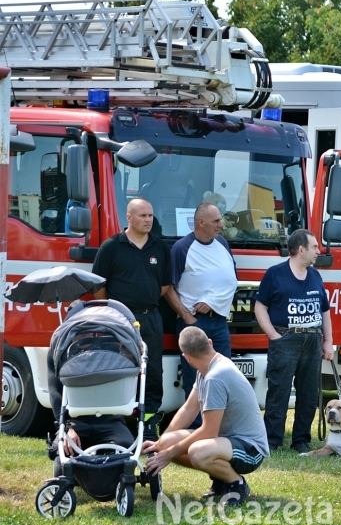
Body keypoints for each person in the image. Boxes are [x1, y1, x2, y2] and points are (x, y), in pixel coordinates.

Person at [144, 327, 268, 506]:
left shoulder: (215, 377)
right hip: (227, 442)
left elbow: (209, 431)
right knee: (167, 441)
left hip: (251, 449)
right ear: (209, 342)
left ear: (186, 357)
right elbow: (188, 409)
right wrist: (161, 444)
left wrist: (169, 454)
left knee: (198, 451)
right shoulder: (208, 368)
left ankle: (236, 484)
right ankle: (220, 480)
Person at [92, 198, 171, 441]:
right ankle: (115, 424)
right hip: (119, 321)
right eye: (143, 216)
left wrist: (142, 301)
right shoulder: (111, 247)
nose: (148, 220)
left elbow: (165, 286)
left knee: (153, 373)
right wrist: (120, 310)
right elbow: (97, 288)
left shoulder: (160, 247)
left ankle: (147, 424)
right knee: (119, 369)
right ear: (129, 217)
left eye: (150, 215)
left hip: (150, 319)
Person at [254, 229, 334, 454]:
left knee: (309, 393)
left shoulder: (315, 275)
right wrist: (273, 335)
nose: (319, 251)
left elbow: (325, 310)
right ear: (301, 249)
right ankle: (272, 440)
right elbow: (260, 307)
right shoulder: (275, 274)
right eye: (315, 247)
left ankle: (301, 440)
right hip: (285, 339)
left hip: (312, 339)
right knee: (278, 392)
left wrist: (328, 342)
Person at [164, 202, 237, 428]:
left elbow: (232, 281)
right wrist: (186, 316)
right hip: (195, 324)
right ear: (200, 222)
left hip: (220, 322)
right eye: (216, 221)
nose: (221, 225)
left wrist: (213, 301)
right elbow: (167, 288)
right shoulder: (182, 248)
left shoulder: (223, 244)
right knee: (196, 377)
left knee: (223, 375)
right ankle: (195, 428)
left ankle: (219, 427)